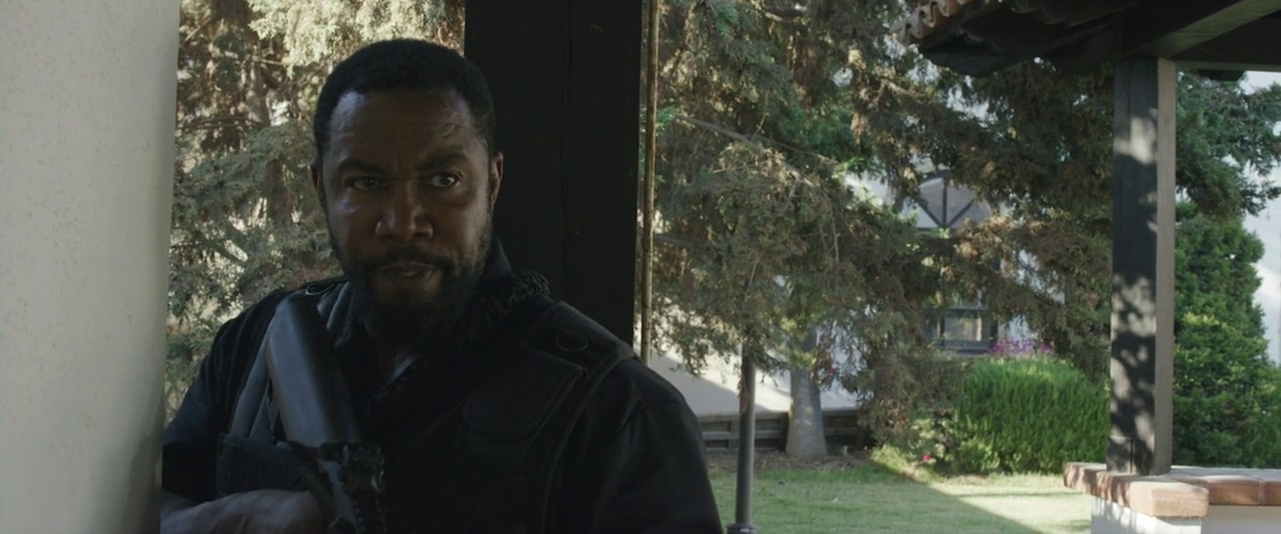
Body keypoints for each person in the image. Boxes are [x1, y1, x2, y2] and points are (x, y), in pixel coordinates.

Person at [160, 38, 723, 534]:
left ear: (492, 183)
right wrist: (246, 518)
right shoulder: (254, 344)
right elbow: (141, 507)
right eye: (366, 182)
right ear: (321, 188)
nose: (403, 222)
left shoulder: (617, 415)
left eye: (443, 180)